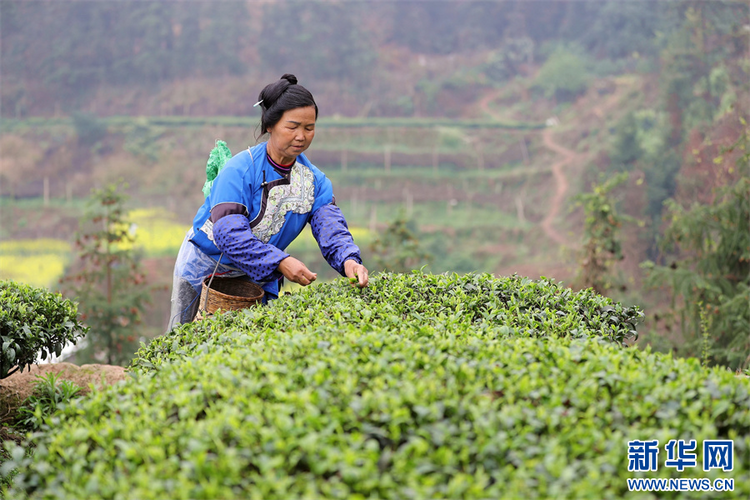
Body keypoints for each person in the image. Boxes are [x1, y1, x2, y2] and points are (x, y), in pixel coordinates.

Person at [169, 74, 369, 329]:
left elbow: (331, 228)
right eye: (292, 126)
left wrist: (349, 260)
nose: (301, 136)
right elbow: (228, 233)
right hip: (205, 270)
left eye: (309, 128)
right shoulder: (240, 170)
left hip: (258, 277)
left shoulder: (314, 181)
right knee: (183, 337)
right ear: (270, 125)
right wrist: (281, 262)